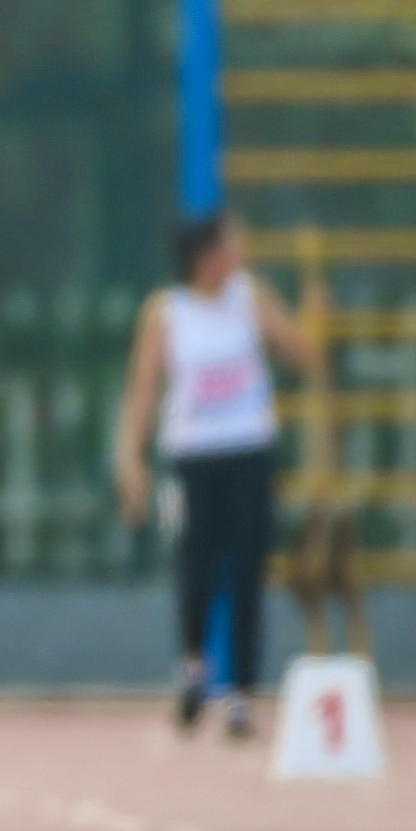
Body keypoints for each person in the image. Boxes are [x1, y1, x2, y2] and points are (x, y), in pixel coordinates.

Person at [112, 206, 312, 739]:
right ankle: (194, 669)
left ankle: (243, 695)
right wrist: (130, 459)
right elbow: (143, 389)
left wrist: (313, 317)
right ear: (206, 256)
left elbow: (303, 353)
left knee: (248, 570)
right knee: (197, 565)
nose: (241, 251)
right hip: (194, 455)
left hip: (249, 448)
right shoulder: (166, 312)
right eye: (231, 242)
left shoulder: (250, 298)